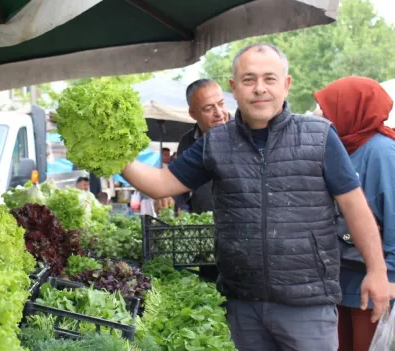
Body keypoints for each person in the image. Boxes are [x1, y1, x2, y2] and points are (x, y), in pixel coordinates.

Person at [119, 43, 391, 350]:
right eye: (249, 80)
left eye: (269, 79)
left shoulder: (319, 135)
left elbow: (355, 206)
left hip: (308, 305)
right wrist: (112, 156)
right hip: (243, 305)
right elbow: (161, 183)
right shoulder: (216, 142)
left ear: (286, 85)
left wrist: (378, 271)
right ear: (234, 88)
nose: (259, 88)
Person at [313, 76, 395, 351]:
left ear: (350, 109)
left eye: (329, 108)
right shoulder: (342, 147)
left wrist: (391, 277)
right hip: (339, 279)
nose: (323, 116)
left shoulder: (383, 152)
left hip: (374, 282)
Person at [173, 78, 230, 282]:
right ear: (193, 114)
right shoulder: (187, 142)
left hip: (240, 236)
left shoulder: (244, 132)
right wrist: (177, 203)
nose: (219, 113)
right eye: (208, 108)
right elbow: (179, 183)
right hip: (204, 236)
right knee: (209, 289)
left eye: (221, 104)